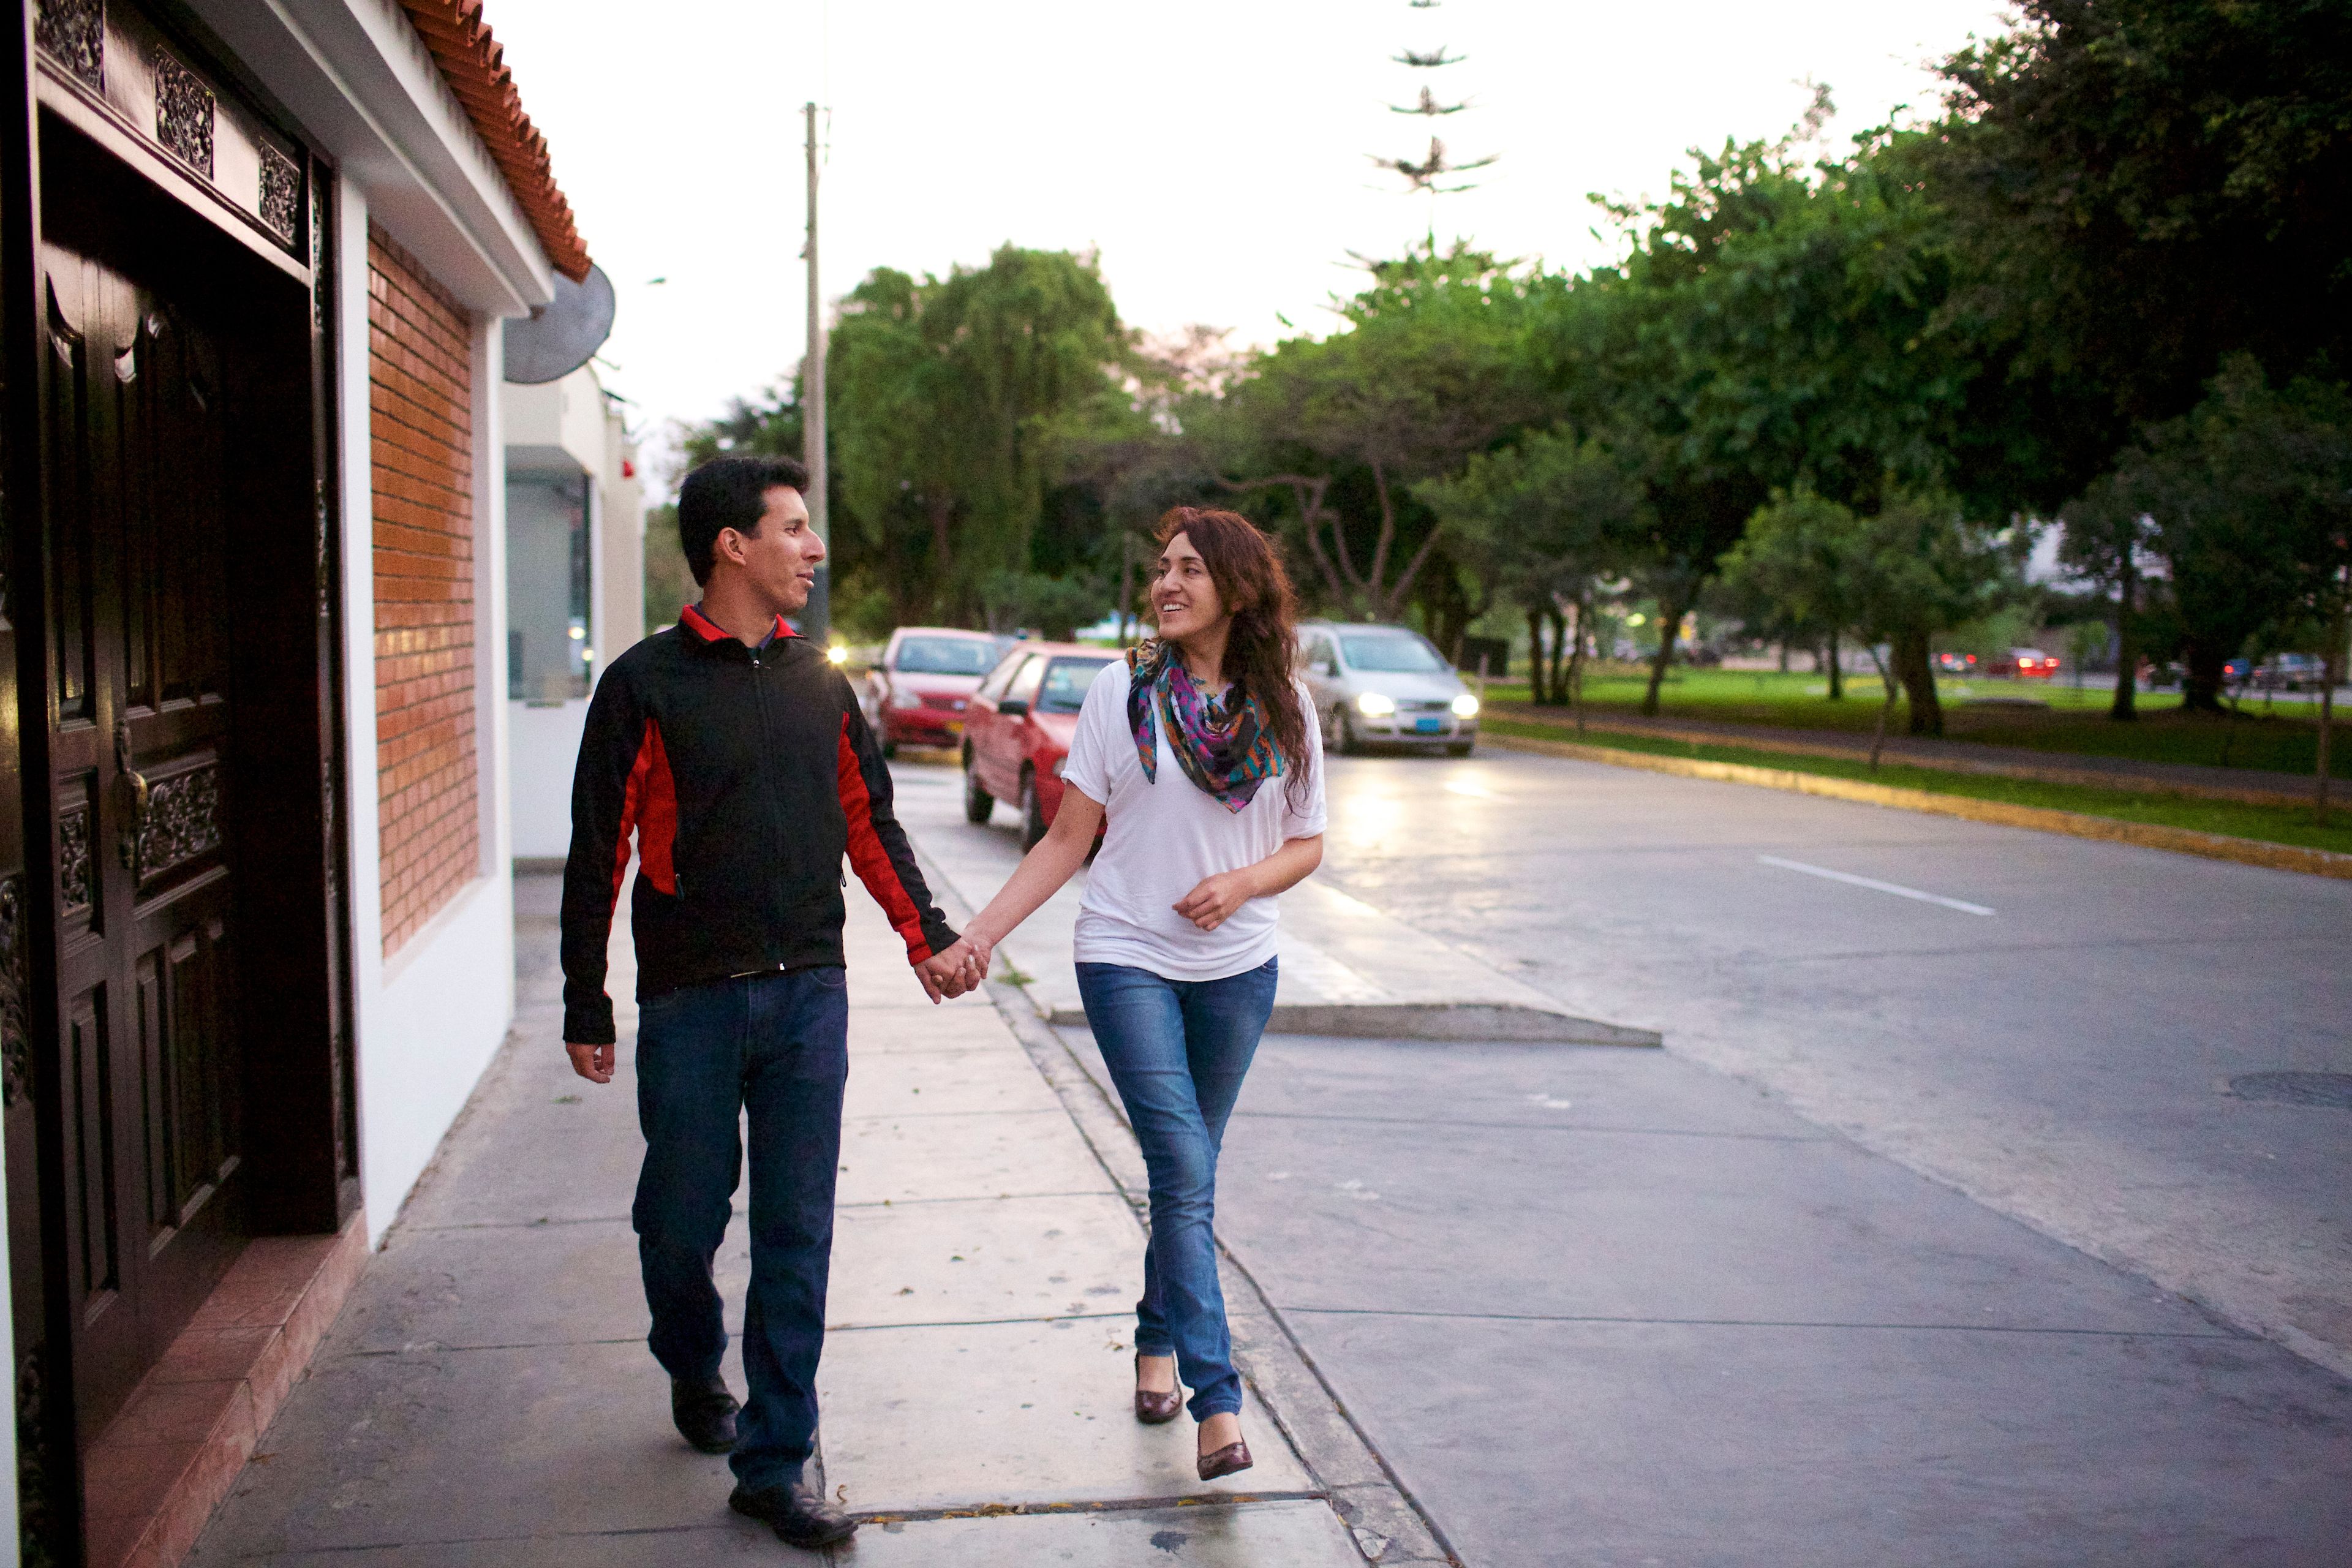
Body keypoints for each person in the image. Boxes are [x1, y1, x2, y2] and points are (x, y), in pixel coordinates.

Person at [558, 454, 981, 1549]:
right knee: (681, 1224)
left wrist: (924, 935)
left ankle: (775, 1460)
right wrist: (586, 999)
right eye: (794, 528)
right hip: (694, 1004)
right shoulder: (643, 685)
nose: (815, 548)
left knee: (797, 1233)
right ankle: (692, 1362)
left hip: (810, 1001)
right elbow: (596, 851)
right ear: (732, 545)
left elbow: (869, 821)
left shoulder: (820, 684)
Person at [937, 507, 1325, 1481]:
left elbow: (1307, 843)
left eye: (1189, 569)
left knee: (1182, 1178)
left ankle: (1154, 1343)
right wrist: (978, 935)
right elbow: (1070, 839)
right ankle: (1218, 1401)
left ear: (1237, 589)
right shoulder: (1123, 692)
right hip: (1125, 957)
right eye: (1161, 569)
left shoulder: (1287, 709)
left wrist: (1242, 883)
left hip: (1238, 968)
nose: (1167, 584)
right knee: (1185, 1168)